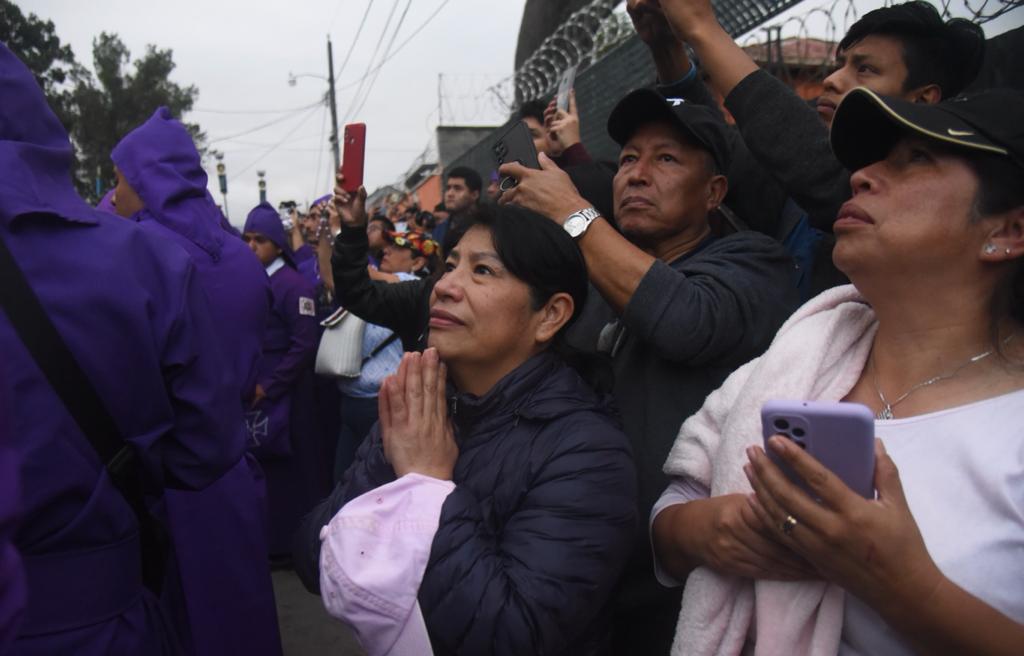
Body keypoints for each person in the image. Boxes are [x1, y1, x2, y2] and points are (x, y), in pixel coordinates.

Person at [652, 87, 1024, 655]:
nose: (860, 176)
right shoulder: (801, 357)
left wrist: (909, 589)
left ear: (1006, 231)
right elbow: (672, 506)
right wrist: (705, 532)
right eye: (870, 160)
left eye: (915, 160)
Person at [499, 88, 799, 653]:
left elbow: (687, 322)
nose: (636, 175)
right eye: (630, 158)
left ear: (714, 192)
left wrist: (572, 215)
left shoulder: (753, 262)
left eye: (666, 159)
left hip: (674, 589)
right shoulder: (590, 278)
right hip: (576, 577)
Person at [296, 204, 637, 655]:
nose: (445, 287)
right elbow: (313, 558)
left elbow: (510, 635)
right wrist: (396, 456)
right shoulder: (425, 408)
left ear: (550, 315)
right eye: (450, 265)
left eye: (482, 271)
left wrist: (424, 483)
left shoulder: (588, 453)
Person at [0, 42, 244, 654]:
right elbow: (206, 446)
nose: (116, 190)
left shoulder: (153, 250)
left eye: (120, 177)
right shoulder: (153, 259)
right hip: (108, 608)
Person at [646, 0, 986, 296]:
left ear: (922, 99)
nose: (832, 79)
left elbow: (815, 165)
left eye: (865, 70)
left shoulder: (929, 199)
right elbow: (719, 147)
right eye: (841, 64)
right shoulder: (790, 194)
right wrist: (666, 46)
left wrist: (701, 28)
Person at [109, 107, 281, 655]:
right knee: (238, 619)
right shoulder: (238, 255)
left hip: (167, 483)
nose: (114, 196)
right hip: (230, 469)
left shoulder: (137, 253)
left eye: (119, 181)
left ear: (147, 180)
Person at [243, 202, 320, 561]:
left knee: (292, 470)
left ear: (276, 243)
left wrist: (270, 385)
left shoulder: (294, 284)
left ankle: (293, 547)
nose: (251, 246)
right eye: (247, 239)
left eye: (259, 239)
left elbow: (303, 344)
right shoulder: (254, 280)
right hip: (261, 388)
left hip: (289, 392)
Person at [332, 231, 429, 483]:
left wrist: (344, 229)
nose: (386, 250)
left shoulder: (413, 287)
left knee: (371, 485)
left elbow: (360, 278)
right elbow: (333, 280)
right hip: (351, 400)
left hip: (381, 403)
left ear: (418, 263)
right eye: (387, 245)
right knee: (342, 482)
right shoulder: (379, 287)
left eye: (399, 247)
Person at [433, 166, 481, 249]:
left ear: (474, 195)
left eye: (457, 188)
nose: (449, 194)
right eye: (448, 188)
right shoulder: (439, 230)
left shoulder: (488, 226)